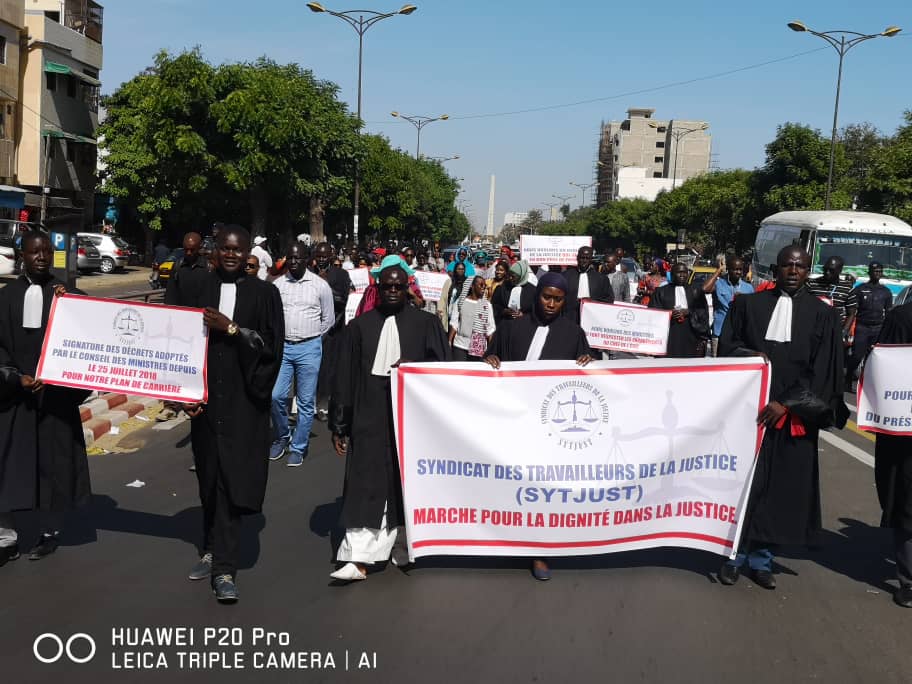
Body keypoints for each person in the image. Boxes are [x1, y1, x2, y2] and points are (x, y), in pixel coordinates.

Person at [718, 246, 846, 591]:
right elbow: (726, 348)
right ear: (776, 269)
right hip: (749, 413)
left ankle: (762, 560)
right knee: (742, 485)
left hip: (794, 416)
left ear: (808, 270)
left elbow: (826, 373)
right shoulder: (747, 305)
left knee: (779, 490)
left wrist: (787, 404)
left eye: (800, 266)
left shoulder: (824, 316)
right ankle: (732, 556)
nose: (793, 270)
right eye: (787, 264)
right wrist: (748, 355)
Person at [329, 259, 451, 581]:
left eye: (399, 286)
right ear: (378, 289)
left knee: (408, 485)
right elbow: (345, 378)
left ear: (407, 288)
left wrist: (416, 367)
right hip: (368, 418)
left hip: (410, 422)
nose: (393, 291)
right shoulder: (359, 327)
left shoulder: (426, 325)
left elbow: (445, 369)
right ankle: (358, 558)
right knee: (364, 485)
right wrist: (340, 424)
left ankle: (406, 547)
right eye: (387, 287)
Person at [182, 224, 283, 603]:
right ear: (214, 251)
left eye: (237, 250)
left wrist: (234, 329)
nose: (230, 254)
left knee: (229, 480)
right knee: (208, 478)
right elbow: (175, 342)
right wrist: (183, 395)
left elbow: (272, 346)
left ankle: (224, 569)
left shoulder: (265, 294)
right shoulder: (198, 289)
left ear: (247, 257)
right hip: (205, 402)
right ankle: (210, 547)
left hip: (243, 402)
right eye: (224, 248)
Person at [484, 271, 593, 581]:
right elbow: (490, 358)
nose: (551, 304)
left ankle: (540, 550)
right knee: (508, 482)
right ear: (537, 295)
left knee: (541, 490)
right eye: (547, 297)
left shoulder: (573, 334)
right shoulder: (511, 327)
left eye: (558, 300)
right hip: (511, 420)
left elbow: (586, 376)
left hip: (550, 427)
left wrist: (587, 360)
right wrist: (490, 359)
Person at [0, 231, 91, 567]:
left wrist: (74, 305)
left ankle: (49, 532)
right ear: (22, 255)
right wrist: (14, 377)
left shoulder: (66, 294)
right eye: (34, 251)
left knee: (52, 466)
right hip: (13, 398)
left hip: (54, 399)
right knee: (8, 465)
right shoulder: (6, 297)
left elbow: (87, 339)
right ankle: (6, 538)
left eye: (46, 252)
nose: (40, 257)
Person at [269, 241, 334, 466]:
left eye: (299, 258)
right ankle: (282, 436)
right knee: (276, 396)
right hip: (284, 349)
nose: (294, 262)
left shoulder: (320, 286)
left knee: (306, 402)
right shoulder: (278, 286)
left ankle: (298, 446)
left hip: (309, 348)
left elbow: (328, 320)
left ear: (308, 259)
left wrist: (312, 338)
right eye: (290, 258)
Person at [871, 300, 912, 607]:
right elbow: (884, 368)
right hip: (905, 429)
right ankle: (909, 580)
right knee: (906, 502)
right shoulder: (902, 317)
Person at [312, 242, 353, 422]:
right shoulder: (307, 273)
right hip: (311, 327)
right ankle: (305, 403)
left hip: (333, 329)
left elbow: (344, 300)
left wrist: (325, 285)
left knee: (329, 367)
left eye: (325, 256)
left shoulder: (341, 275)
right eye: (318, 256)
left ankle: (324, 403)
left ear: (331, 255)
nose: (321, 260)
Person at [846, 262, 892, 390]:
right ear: (869, 272)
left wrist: (886, 331)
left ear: (882, 273)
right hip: (862, 327)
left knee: (873, 359)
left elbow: (888, 313)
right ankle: (848, 379)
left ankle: (868, 385)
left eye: (879, 271)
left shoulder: (886, 292)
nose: (877, 273)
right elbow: (852, 309)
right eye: (874, 271)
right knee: (857, 356)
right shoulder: (860, 289)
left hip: (878, 328)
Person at [649, 263, 710, 358]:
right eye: (679, 272)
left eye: (685, 272)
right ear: (672, 275)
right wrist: (669, 314)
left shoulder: (695, 290)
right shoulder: (661, 291)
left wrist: (688, 312)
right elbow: (652, 314)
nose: (682, 275)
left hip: (691, 338)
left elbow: (703, 313)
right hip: (669, 338)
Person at [703, 255, 754, 357]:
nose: (738, 272)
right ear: (728, 270)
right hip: (719, 333)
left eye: (740, 269)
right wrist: (718, 270)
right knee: (717, 366)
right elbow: (705, 288)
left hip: (738, 335)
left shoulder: (748, 288)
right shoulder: (719, 283)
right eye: (735, 269)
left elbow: (751, 311)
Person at [807, 256, 857, 340]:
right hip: (812, 330)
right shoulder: (812, 284)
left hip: (835, 332)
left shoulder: (848, 288)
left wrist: (843, 332)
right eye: (825, 269)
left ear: (840, 271)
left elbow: (851, 313)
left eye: (831, 270)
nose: (827, 272)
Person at [449, 276, 496, 361]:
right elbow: (454, 323)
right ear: (472, 286)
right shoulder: (461, 301)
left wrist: (490, 351)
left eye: (484, 285)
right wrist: (449, 341)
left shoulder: (487, 306)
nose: (484, 287)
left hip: (479, 348)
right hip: (460, 346)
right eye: (481, 285)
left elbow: (490, 329)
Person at [563, 246, 613, 324]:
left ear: (591, 259)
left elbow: (609, 299)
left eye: (587, 258)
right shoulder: (565, 276)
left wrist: (592, 302)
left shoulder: (601, 279)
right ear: (577, 258)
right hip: (569, 318)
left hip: (592, 320)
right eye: (582, 258)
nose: (584, 261)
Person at [164, 231, 208, 308]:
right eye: (186, 249)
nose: (188, 253)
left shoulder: (209, 268)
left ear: (199, 248)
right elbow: (170, 296)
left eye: (192, 250)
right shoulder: (177, 267)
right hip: (182, 315)